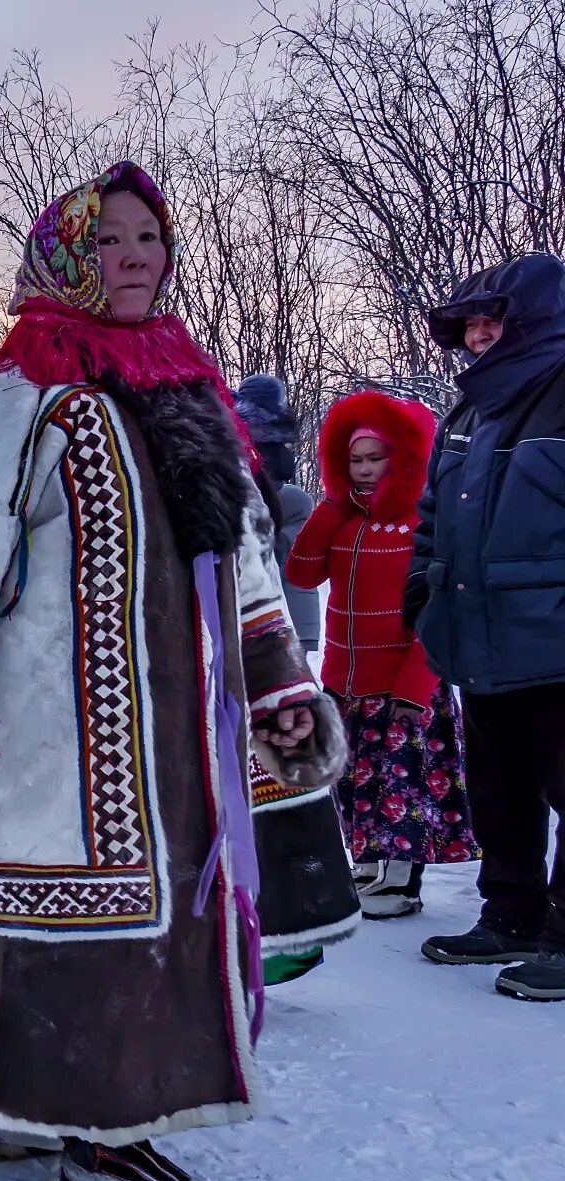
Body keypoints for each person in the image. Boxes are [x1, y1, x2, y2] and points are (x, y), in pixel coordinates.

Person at [0, 162, 340, 1181]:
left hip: (181, 727)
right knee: (42, 890)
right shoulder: (11, 392)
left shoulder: (186, 391)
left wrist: (277, 677)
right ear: (68, 254)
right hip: (47, 727)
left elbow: (249, 554)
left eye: (150, 239)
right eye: (114, 240)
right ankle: (79, 1124)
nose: (138, 258)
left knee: (161, 898)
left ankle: (75, 1111)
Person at [408, 252, 565, 1000]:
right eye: (468, 324)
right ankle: (511, 914)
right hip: (482, 631)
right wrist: (421, 586)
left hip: (556, 638)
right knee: (498, 790)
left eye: (490, 321)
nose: (475, 336)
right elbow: (434, 515)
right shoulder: (467, 412)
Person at [286, 391, 478, 919]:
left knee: (402, 781)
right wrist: (330, 507)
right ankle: (369, 865)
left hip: (402, 687)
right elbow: (302, 572)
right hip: (347, 685)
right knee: (355, 781)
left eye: (377, 459)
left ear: (404, 459)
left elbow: (432, 615)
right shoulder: (345, 521)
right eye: (355, 460)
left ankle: (402, 879)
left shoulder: (421, 525)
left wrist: (416, 688)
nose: (365, 470)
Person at [235, 375, 321, 653]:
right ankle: (298, 632)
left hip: (255, 502)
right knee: (288, 564)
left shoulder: (226, 427)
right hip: (250, 502)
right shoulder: (254, 435)